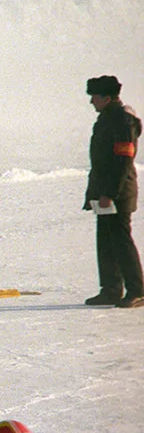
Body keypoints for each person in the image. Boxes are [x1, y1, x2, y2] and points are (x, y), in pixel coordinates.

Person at [82, 75, 143, 309]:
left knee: (120, 240)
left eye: (94, 97)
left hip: (117, 192)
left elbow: (122, 161)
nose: (91, 102)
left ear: (107, 98)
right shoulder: (108, 118)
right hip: (104, 192)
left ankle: (137, 291)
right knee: (106, 240)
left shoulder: (121, 121)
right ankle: (110, 290)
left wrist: (109, 193)